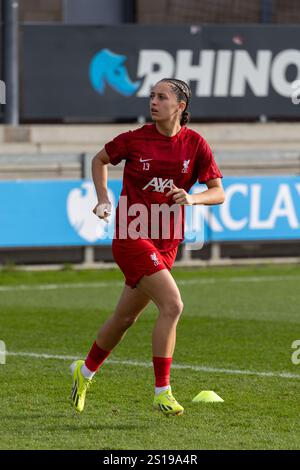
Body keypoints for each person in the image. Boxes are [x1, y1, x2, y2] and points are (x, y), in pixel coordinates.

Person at [70, 78, 225, 417]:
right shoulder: (134, 139)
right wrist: (102, 199)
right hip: (131, 235)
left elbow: (218, 191)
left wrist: (193, 198)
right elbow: (99, 160)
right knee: (173, 305)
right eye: (151, 96)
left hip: (167, 241)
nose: (153, 101)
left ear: (180, 107)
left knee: (125, 318)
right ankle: (162, 392)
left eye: (161, 96)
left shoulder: (196, 144)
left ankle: (84, 374)